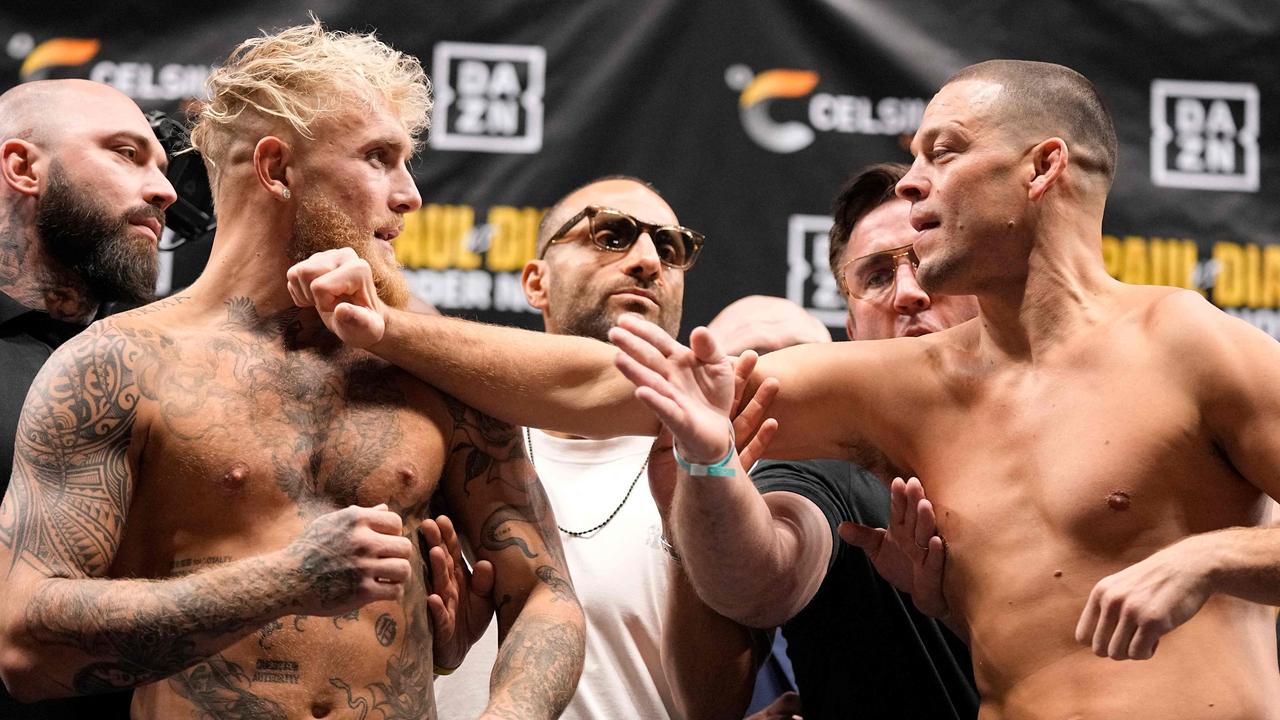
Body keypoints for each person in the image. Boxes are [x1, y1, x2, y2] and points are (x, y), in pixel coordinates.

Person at [289, 59, 1280, 719]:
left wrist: (1208, 560)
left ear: (1042, 168)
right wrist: (387, 328)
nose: (913, 185)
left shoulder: (1183, 341)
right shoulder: (907, 385)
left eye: (942, 154)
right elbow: (621, 384)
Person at [0, 21, 584, 720]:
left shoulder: (432, 372)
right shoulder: (116, 366)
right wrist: (289, 579)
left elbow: (546, 592)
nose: (409, 195)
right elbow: (26, 643)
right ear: (277, 169)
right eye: (378, 158)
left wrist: (509, 716)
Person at [434, 175, 785, 719]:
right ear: (536, 282)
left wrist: (685, 515)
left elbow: (717, 706)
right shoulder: (454, 441)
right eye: (612, 234)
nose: (648, 260)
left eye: (670, 247)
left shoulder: (724, 470)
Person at [668, 165, 980, 719]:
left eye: (929, 263)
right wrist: (709, 465)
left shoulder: (1082, 424)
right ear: (852, 329)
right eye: (878, 276)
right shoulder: (820, 465)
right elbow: (765, 574)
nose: (909, 293)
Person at [0, 78, 176, 720]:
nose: (164, 190)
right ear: (22, 167)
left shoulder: (172, 357)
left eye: (160, 164)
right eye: (125, 153)